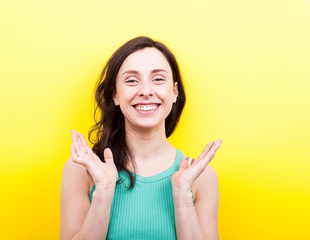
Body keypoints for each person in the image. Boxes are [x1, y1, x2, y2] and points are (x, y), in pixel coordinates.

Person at [60, 36, 222, 240]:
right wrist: (103, 190)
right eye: (131, 81)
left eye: (158, 79)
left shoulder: (202, 177)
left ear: (174, 92)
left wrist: (182, 196)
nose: (146, 91)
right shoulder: (80, 170)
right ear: (115, 95)